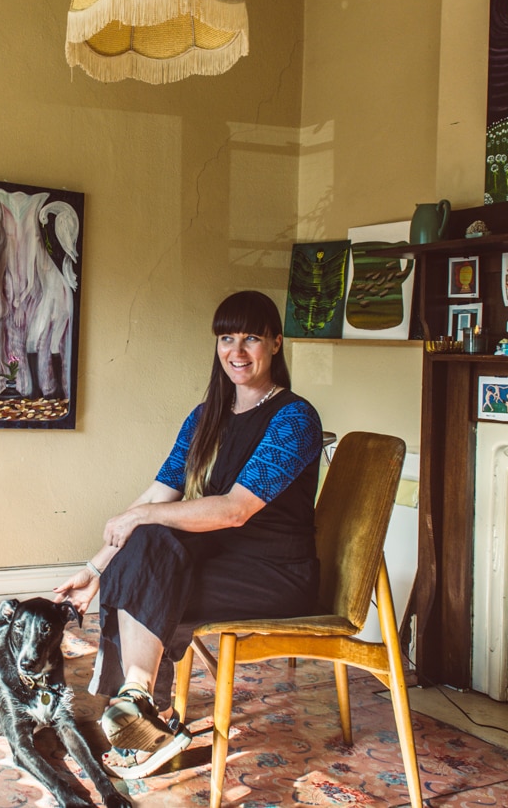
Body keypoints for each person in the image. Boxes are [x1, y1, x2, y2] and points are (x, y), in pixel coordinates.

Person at [55, 290, 323, 778]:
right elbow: (157, 495)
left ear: (277, 344)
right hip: (220, 560)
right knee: (142, 552)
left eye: (251, 339)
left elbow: (235, 510)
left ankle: (134, 718)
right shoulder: (205, 417)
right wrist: (94, 570)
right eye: (226, 338)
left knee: (148, 567)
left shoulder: (294, 418)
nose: (236, 352)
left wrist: (139, 527)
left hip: (276, 572)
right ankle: (136, 712)